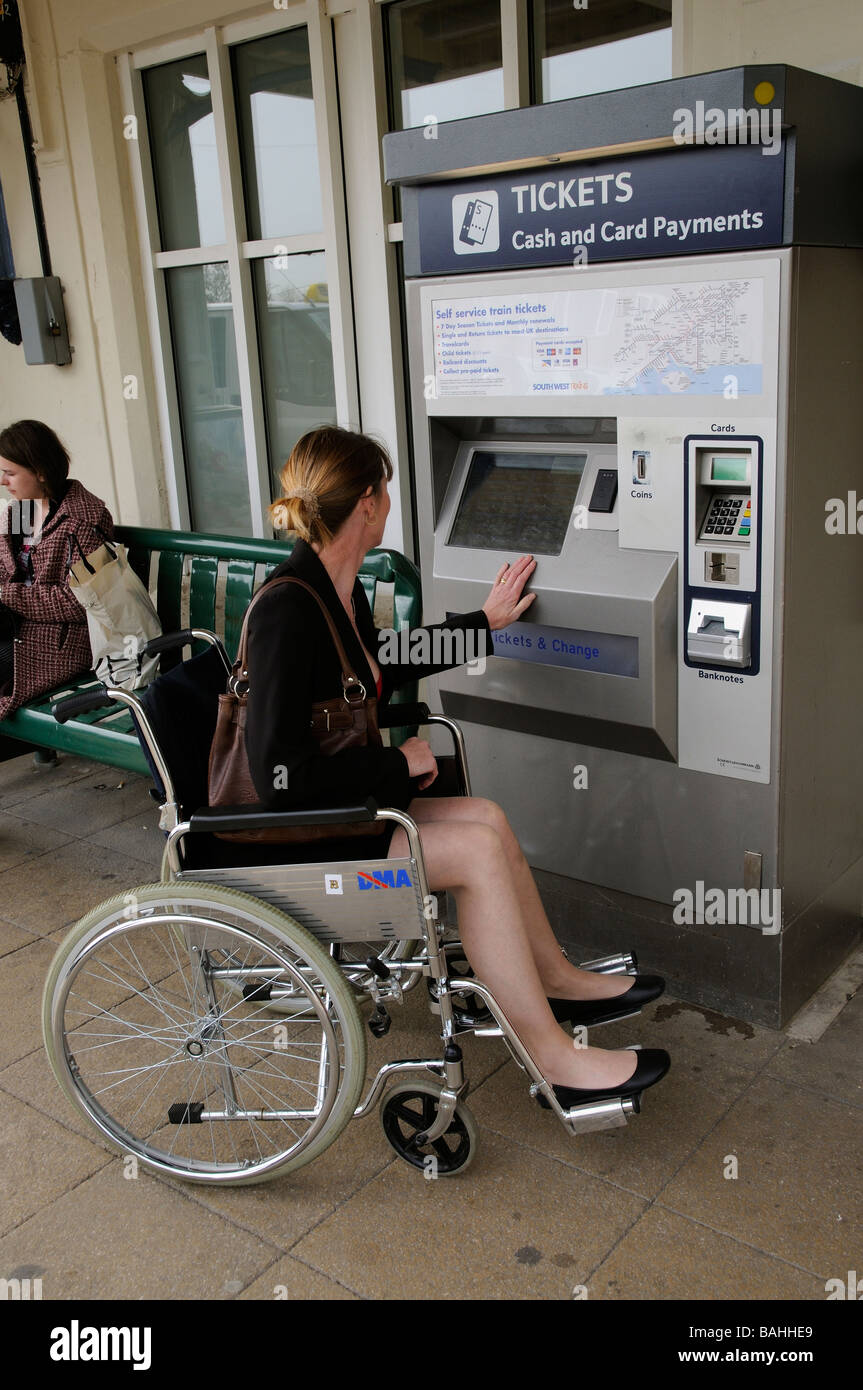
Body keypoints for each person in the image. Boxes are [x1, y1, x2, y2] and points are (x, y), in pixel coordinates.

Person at [246, 426, 669, 1109]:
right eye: (385, 490)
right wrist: (394, 766)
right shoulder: (288, 610)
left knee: (487, 820)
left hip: (343, 811)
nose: (389, 502)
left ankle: (555, 980)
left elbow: (380, 658)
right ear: (369, 504)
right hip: (305, 832)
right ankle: (552, 1060)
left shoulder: (332, 589)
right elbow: (277, 776)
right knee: (473, 853)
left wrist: (484, 624)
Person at [0, 420, 115, 722]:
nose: (3, 481)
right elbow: (6, 571)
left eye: (10, 473)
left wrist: (8, 595)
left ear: (40, 471)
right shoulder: (22, 510)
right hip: (16, 631)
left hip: (59, 644)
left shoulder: (83, 520)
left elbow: (82, 602)